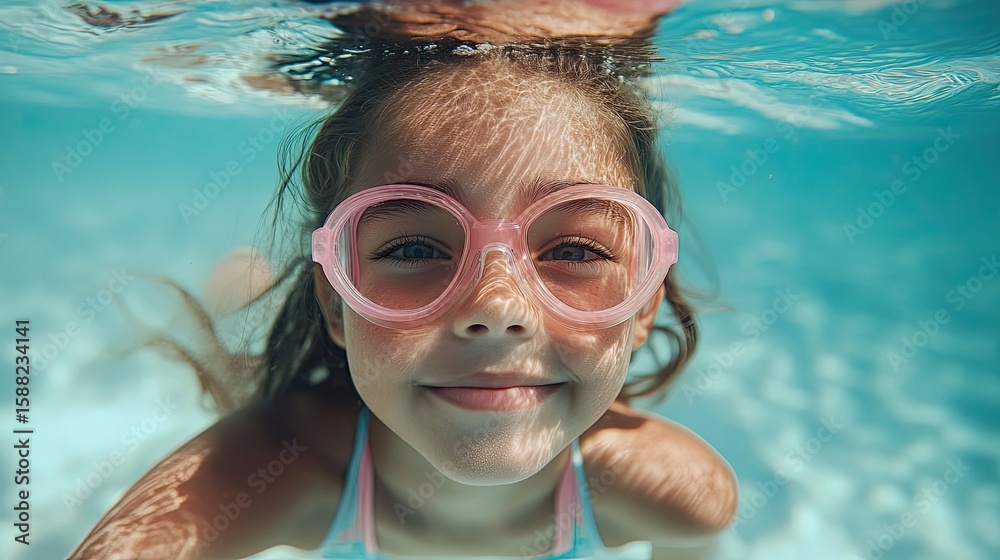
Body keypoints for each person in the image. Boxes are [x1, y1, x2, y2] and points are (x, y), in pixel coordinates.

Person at [72, 4, 737, 560]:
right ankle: (244, 283)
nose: (498, 308)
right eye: (416, 246)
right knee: (243, 354)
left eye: (575, 250)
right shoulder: (283, 467)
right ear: (333, 298)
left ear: (646, 299)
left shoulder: (682, 495)